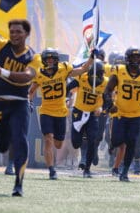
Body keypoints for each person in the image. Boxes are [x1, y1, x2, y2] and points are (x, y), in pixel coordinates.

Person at [0, 0, 40, 197]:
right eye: (12, 31)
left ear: (26, 34)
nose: (14, 34)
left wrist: (1, 72)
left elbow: (26, 78)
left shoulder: (34, 57)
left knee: (20, 140)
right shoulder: (1, 45)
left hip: (19, 104)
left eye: (18, 31)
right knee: (3, 145)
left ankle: (18, 184)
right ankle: (7, 153)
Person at [29, 48, 93, 180]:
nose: (51, 61)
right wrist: (28, 102)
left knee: (58, 144)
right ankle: (52, 170)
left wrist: (92, 57)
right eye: (48, 59)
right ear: (44, 60)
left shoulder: (63, 69)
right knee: (48, 139)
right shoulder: (39, 74)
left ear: (57, 60)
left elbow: (83, 69)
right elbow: (31, 91)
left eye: (53, 58)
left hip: (60, 112)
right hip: (46, 111)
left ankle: (53, 162)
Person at [103, 47, 140, 182]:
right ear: (127, 59)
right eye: (133, 57)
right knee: (117, 141)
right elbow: (107, 90)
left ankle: (125, 172)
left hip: (136, 114)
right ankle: (112, 147)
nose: (136, 60)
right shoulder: (119, 71)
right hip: (120, 112)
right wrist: (110, 105)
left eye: (138, 57)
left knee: (131, 143)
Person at [67, 59, 108, 177]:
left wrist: (102, 108)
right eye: (93, 76)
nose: (95, 80)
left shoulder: (105, 82)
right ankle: (85, 154)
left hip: (92, 114)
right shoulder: (82, 77)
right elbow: (68, 88)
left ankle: (87, 169)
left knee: (92, 140)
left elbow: (108, 100)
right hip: (78, 112)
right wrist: (66, 99)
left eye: (98, 76)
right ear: (88, 74)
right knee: (76, 143)